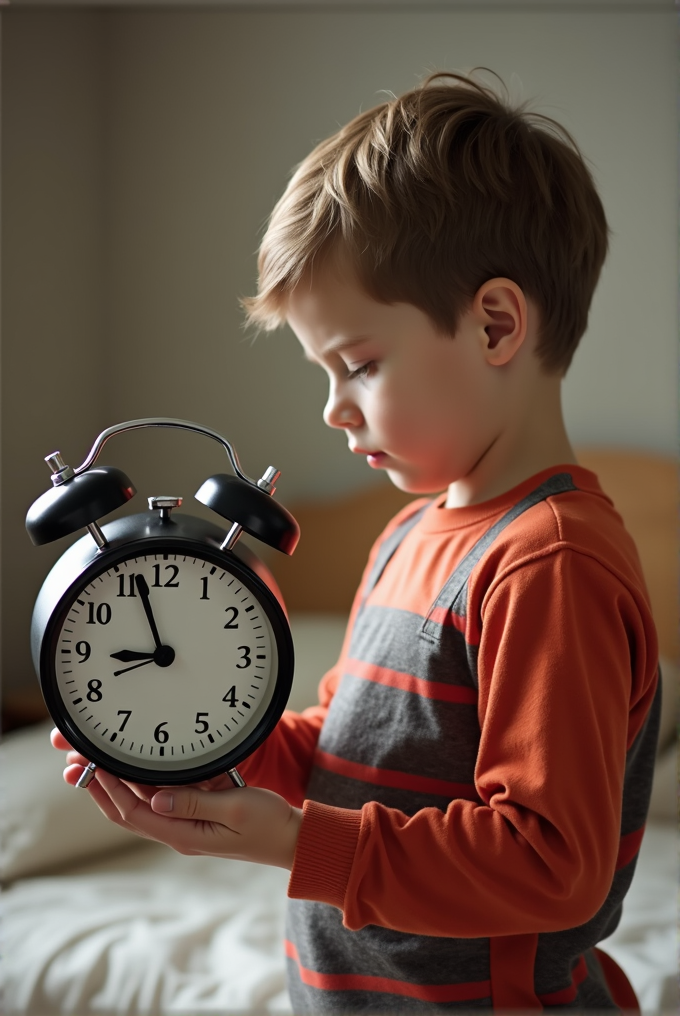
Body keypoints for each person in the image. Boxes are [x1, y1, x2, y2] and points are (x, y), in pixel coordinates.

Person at [53, 72, 660, 1011]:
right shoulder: (411, 533)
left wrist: (295, 845)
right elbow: (343, 755)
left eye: (361, 364)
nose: (334, 410)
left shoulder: (549, 563)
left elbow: (552, 864)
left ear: (496, 324)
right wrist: (214, 744)